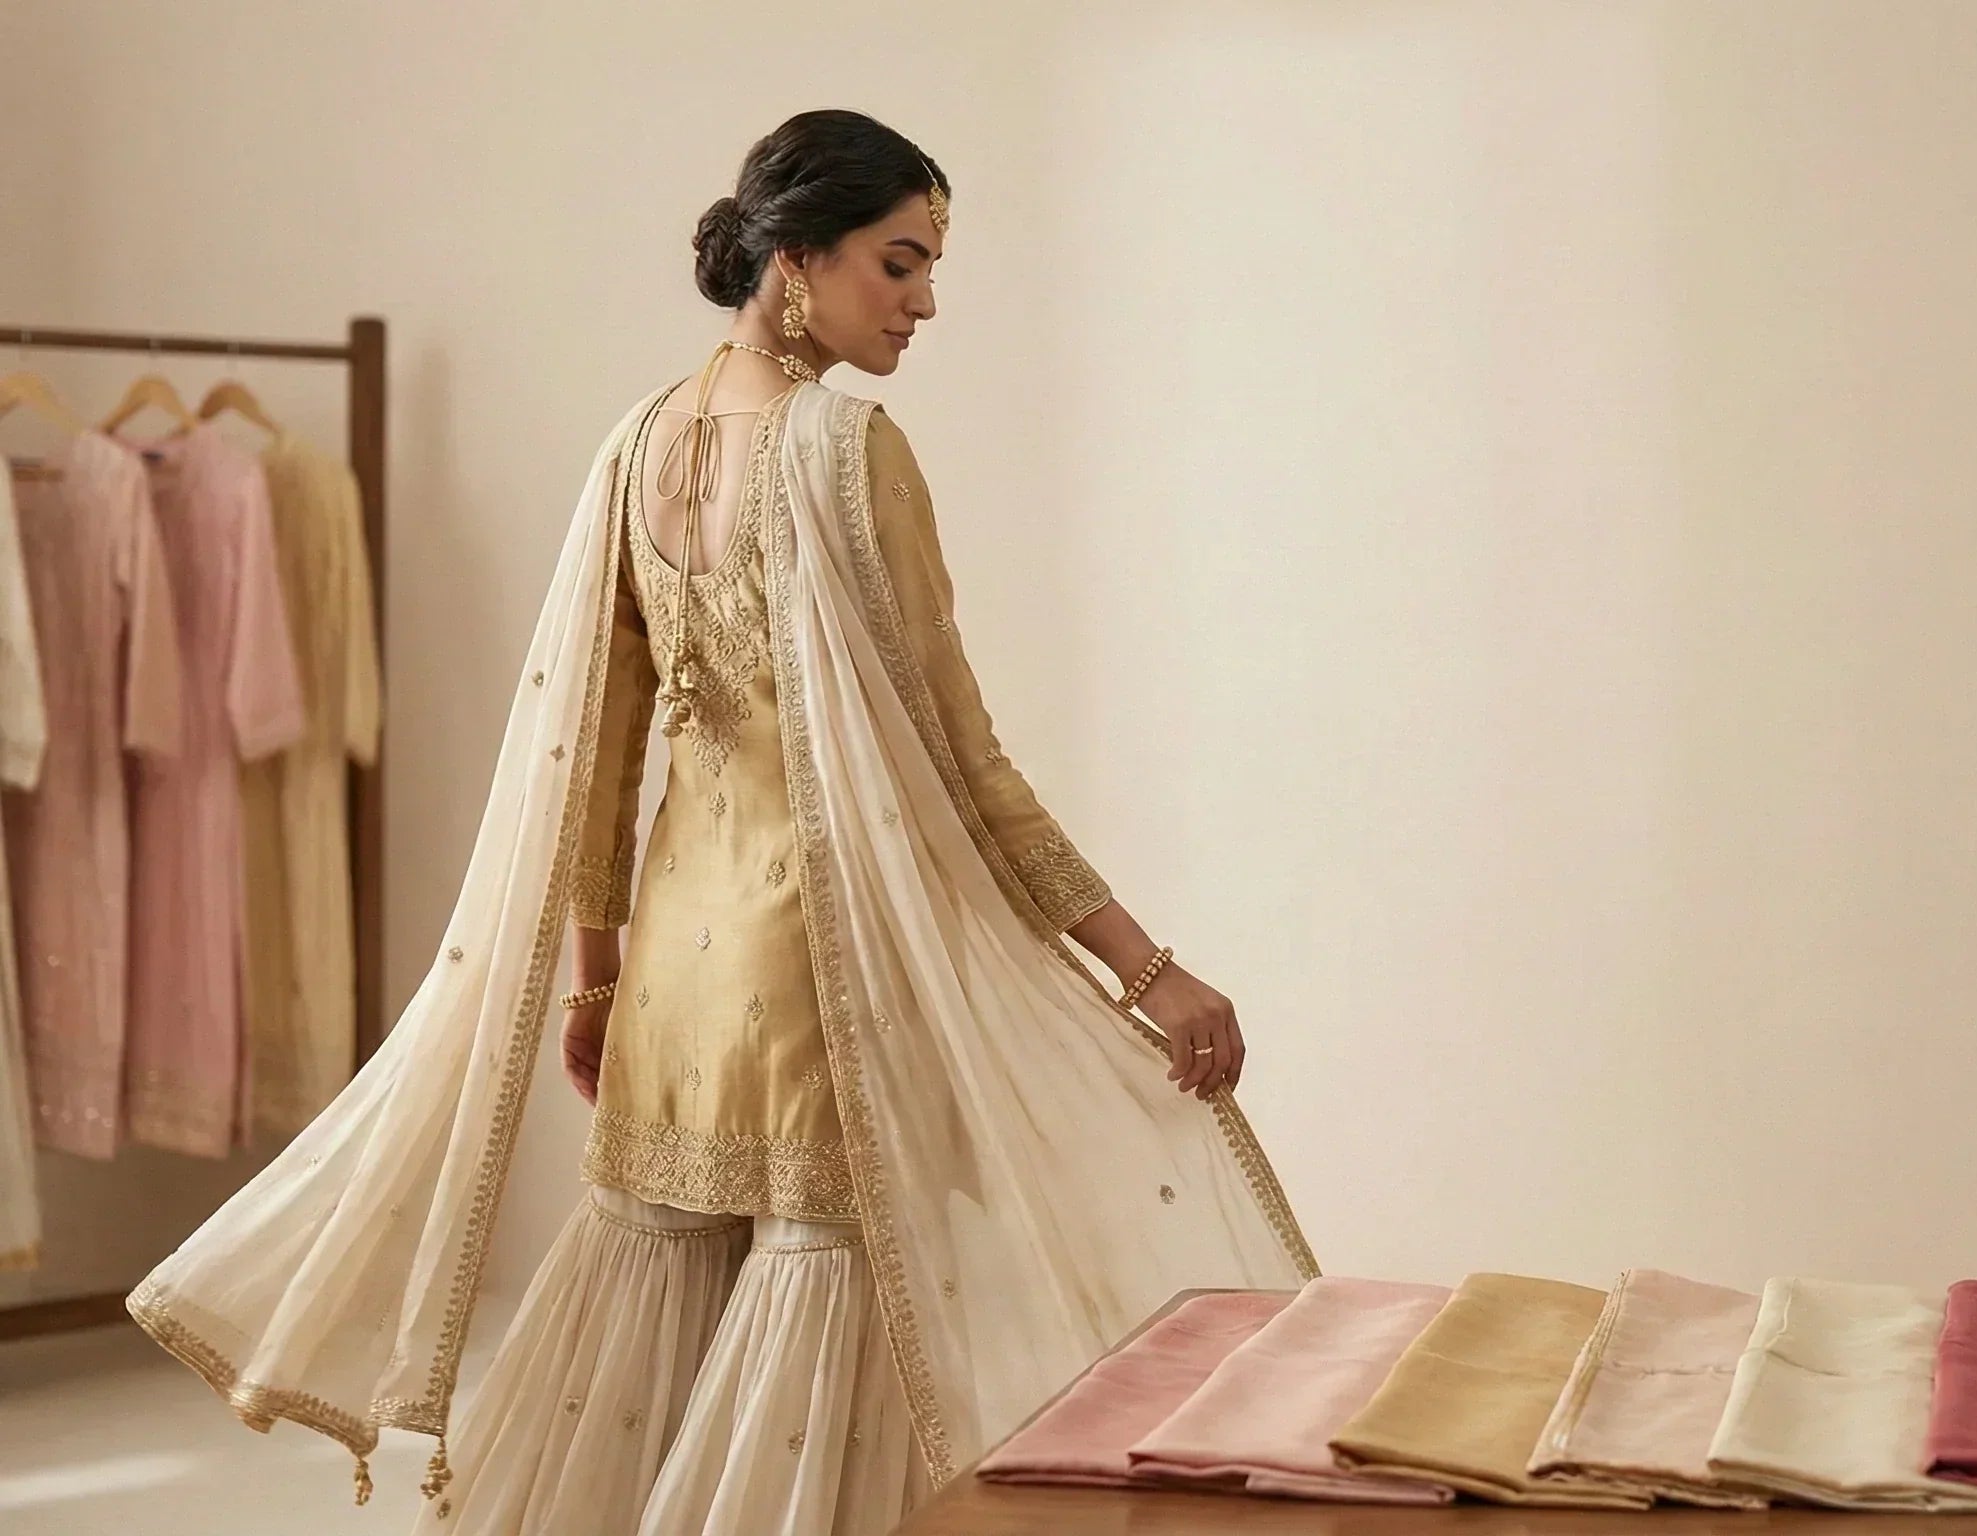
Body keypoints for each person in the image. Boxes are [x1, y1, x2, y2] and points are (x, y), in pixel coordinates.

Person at [127, 110, 1315, 1536]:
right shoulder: (847, 450)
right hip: (817, 971)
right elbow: (968, 764)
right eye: (901, 262)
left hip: (681, 981)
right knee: (825, 1297)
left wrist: (603, 974)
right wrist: (1145, 966)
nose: (927, 300)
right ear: (799, 258)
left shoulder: (641, 442)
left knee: (664, 1294)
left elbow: (602, 758)